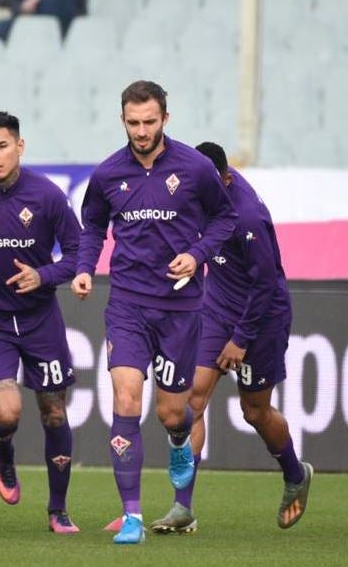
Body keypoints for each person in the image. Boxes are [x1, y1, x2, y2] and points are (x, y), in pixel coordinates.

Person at [72, 81, 237, 544]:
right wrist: (85, 268)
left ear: (165, 117)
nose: (141, 131)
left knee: (171, 414)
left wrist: (198, 254)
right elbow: (92, 227)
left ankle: (181, 441)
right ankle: (131, 516)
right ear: (122, 120)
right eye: (132, 122)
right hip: (127, 303)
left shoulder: (195, 167)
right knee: (126, 399)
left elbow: (224, 219)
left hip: (180, 309)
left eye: (149, 121)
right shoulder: (107, 174)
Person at [150, 141, 311, 535]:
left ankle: (295, 473)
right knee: (193, 400)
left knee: (254, 412)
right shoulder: (194, 192)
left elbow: (267, 285)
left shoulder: (247, 217)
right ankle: (182, 507)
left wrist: (240, 338)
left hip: (261, 317)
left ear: (224, 177)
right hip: (216, 310)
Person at [0, 111, 82, 533]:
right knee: (8, 413)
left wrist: (42, 275)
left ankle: (58, 510)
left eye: (2, 146)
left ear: (20, 146)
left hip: (40, 318)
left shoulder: (46, 195)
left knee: (54, 414)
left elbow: (81, 254)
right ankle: (3, 454)